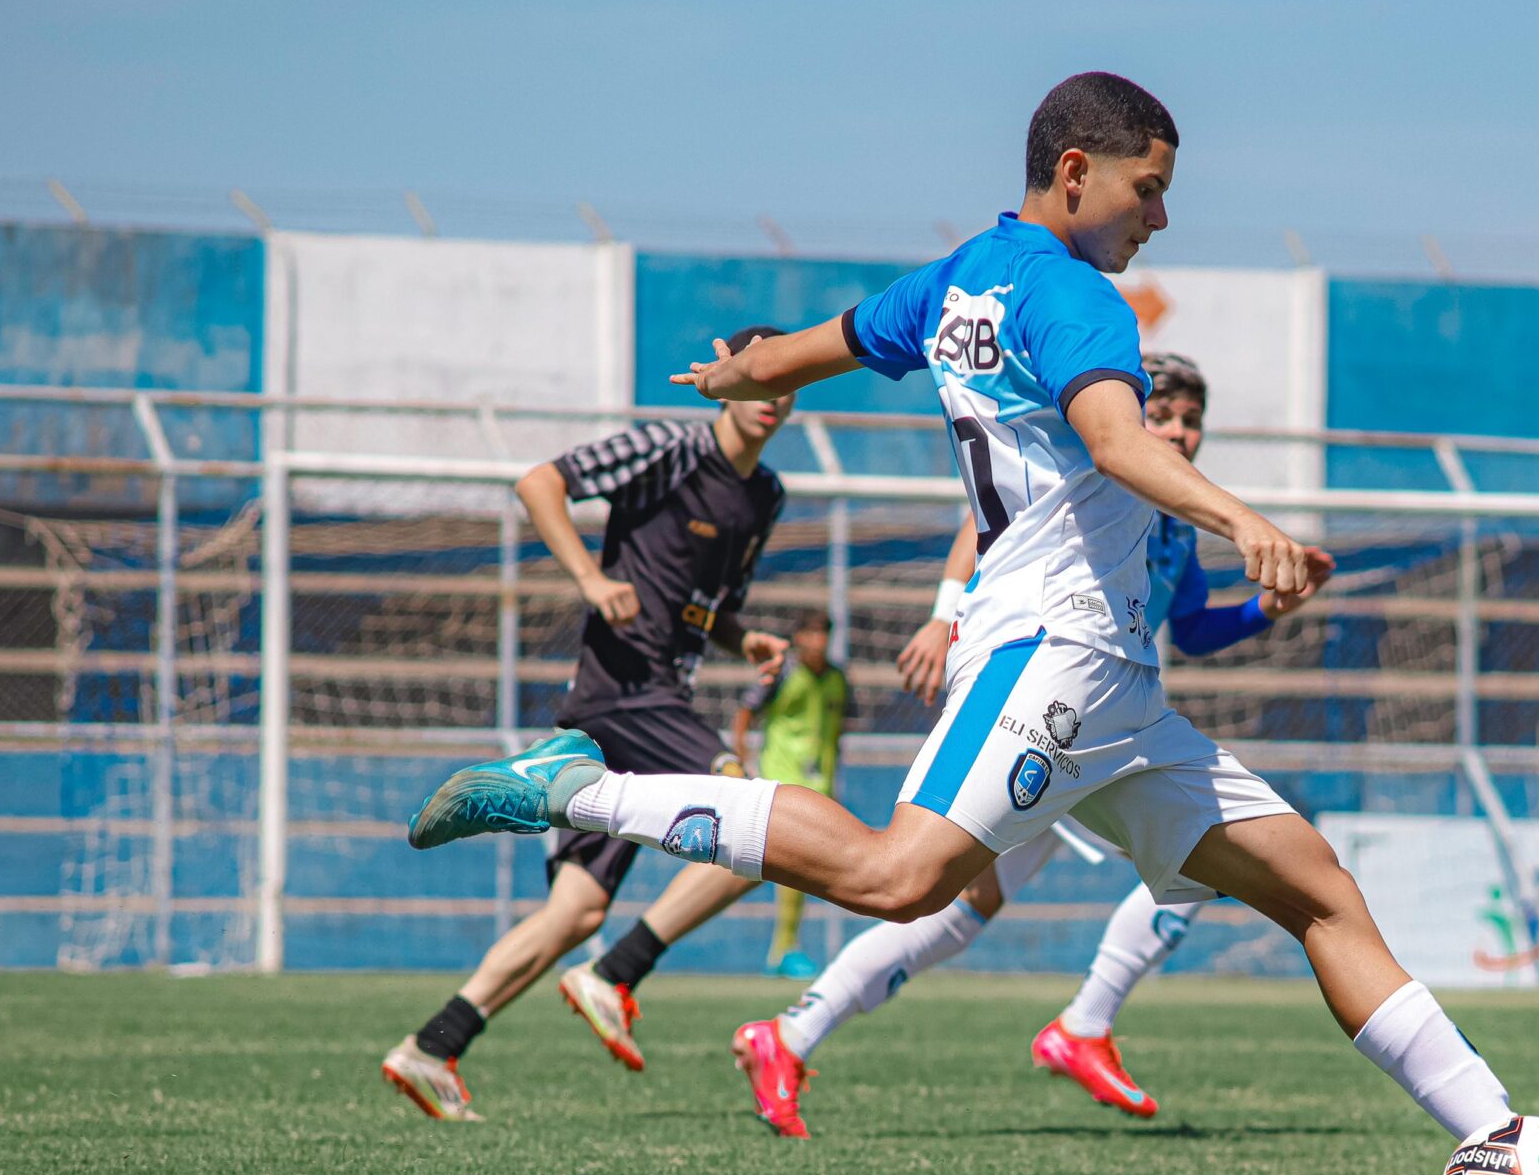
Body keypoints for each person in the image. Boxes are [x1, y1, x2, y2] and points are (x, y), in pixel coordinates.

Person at [407, 73, 1539, 1175]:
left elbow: (835, 340)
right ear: (1076, 172)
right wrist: (1244, 521)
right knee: (897, 879)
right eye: (1147, 190)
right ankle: (575, 789)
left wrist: (747, 371)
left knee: (1320, 893)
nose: (1157, 218)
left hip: (1119, 692)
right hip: (1052, 652)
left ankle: (1503, 1139)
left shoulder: (959, 277)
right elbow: (1117, 441)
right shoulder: (1075, 301)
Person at [747, 352, 1310, 1134]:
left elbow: (1197, 626)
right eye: (1166, 416)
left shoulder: (1177, 518)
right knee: (1195, 862)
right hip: (1049, 703)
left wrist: (1265, 611)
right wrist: (944, 616)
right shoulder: (1088, 467)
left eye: (1192, 421)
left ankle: (789, 1033)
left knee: (951, 907)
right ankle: (1083, 1024)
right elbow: (988, 522)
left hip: (1100, 721)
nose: (1180, 433)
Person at [379, 326, 793, 1121]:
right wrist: (590, 578)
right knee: (759, 827)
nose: (772, 395)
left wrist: (744, 638)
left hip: (653, 697)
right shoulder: (668, 449)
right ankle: (617, 973)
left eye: (787, 382)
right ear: (726, 374)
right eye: (757, 376)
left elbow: (704, 606)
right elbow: (540, 482)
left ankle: (432, 1045)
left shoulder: (764, 496)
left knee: (576, 910)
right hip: (624, 690)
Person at [730, 608, 852, 980]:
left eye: (823, 635)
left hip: (820, 787)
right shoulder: (783, 674)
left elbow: (837, 728)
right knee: (783, 869)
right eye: (811, 634)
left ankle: (784, 948)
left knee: (797, 872)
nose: (818, 643)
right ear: (799, 639)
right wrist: (741, 757)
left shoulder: (837, 679)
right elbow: (745, 713)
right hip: (780, 783)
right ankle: (784, 949)